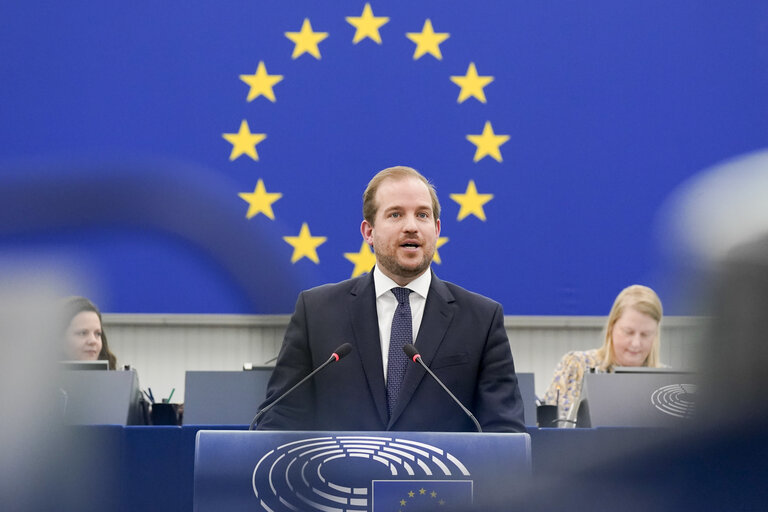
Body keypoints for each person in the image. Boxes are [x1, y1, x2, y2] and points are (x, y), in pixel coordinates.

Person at [257, 165, 525, 432]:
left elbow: (504, 433)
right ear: (368, 232)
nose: (411, 227)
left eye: (422, 215)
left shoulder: (481, 319)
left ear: (437, 229)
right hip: (340, 474)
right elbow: (278, 420)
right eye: (396, 214)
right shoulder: (316, 313)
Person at [542, 284, 663, 422]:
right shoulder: (576, 367)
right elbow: (551, 431)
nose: (636, 343)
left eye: (645, 335)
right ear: (612, 327)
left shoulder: (668, 385)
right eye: (628, 332)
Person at [61, 296, 118, 370]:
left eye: (97, 334)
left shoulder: (115, 380)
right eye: (83, 333)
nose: (93, 341)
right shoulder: (42, 378)